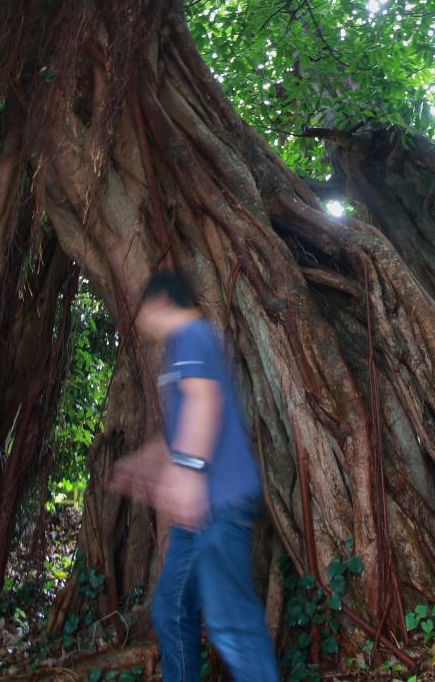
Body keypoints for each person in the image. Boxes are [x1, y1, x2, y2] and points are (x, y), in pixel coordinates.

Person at [110, 271, 278, 682]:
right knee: (170, 609)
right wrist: (139, 465)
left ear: (160, 302)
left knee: (230, 622)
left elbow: (206, 401)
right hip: (198, 516)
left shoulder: (192, 334)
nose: (142, 321)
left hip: (221, 502)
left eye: (143, 310)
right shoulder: (182, 349)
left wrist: (189, 471)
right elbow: (182, 432)